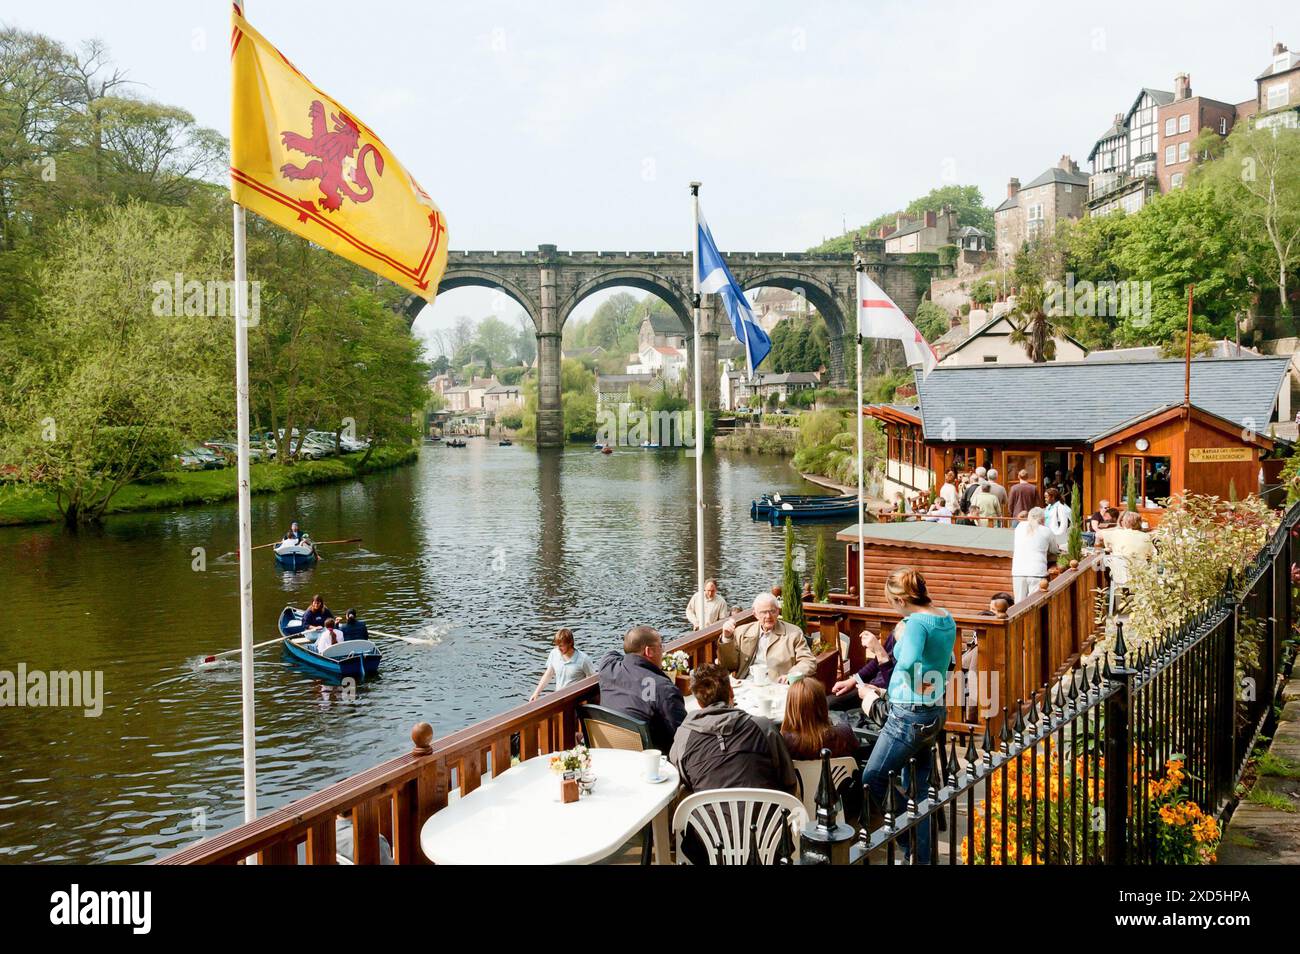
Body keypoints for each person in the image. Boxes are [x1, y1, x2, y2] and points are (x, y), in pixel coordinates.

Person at [861, 567, 956, 864]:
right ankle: (922, 857)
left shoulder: (916, 624)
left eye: (892, 602)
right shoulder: (945, 616)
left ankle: (908, 836)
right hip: (934, 710)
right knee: (921, 789)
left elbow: (909, 662)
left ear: (901, 600)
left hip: (908, 715)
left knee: (873, 777)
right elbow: (939, 663)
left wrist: (906, 678)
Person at [669, 662, 797, 795]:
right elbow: (788, 779)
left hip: (709, 814)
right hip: (764, 814)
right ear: (731, 691)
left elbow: (685, 779)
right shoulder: (764, 728)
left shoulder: (684, 737)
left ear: (699, 701)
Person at [596, 625, 685, 752]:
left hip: (611, 755)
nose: (663, 651)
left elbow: (612, 654)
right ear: (649, 651)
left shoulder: (607, 666)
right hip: (651, 763)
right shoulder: (664, 689)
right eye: (661, 646)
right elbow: (682, 735)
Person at [718, 592, 816, 683]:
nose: (768, 616)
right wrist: (727, 637)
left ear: (778, 612)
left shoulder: (793, 633)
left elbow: (808, 661)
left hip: (777, 686)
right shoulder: (742, 632)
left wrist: (791, 675)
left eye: (772, 611)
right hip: (747, 684)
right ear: (755, 614)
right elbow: (728, 666)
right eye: (763, 612)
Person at [829, 628, 895, 713]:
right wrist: (853, 680)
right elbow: (876, 662)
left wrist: (878, 650)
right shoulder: (901, 628)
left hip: (886, 699)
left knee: (845, 716)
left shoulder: (914, 642)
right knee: (828, 703)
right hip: (869, 688)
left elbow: (896, 687)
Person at [530, 628, 595, 700]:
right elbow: (548, 674)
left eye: (561, 645)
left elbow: (592, 680)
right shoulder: (554, 653)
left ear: (570, 643)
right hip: (559, 698)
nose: (558, 648)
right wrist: (536, 693)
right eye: (557, 645)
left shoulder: (584, 659)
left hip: (576, 699)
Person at [1011, 507, 1054, 601]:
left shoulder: (1019, 527)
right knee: (1033, 604)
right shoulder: (1046, 530)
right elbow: (1054, 550)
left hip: (1018, 572)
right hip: (1037, 572)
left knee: (1018, 605)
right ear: (1043, 519)